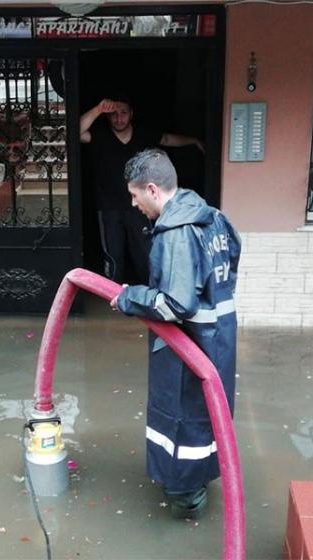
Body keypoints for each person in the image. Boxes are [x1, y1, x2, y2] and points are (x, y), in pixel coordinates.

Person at [110, 149, 241, 519]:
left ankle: (186, 499)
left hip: (189, 351)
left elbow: (175, 305)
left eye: (135, 196)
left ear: (152, 189)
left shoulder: (176, 234)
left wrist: (129, 297)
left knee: (182, 421)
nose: (134, 204)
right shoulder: (213, 218)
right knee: (208, 416)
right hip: (219, 341)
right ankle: (198, 482)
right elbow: (228, 269)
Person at [80, 95, 204, 284]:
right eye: (113, 114)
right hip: (108, 207)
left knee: (145, 251)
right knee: (113, 255)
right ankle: (112, 297)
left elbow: (168, 139)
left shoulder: (143, 134)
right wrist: (97, 109)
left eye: (123, 113)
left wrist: (194, 141)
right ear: (107, 116)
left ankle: (151, 292)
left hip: (141, 206)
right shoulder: (99, 134)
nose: (119, 118)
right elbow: (75, 133)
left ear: (131, 113)